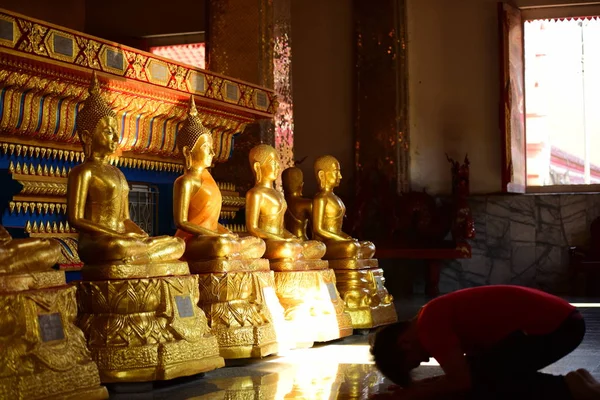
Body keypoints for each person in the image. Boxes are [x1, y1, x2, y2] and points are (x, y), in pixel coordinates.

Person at [370, 285, 600, 400]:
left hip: (557, 328)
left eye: (414, 362)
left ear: (404, 344)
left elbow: (462, 382)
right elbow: (464, 370)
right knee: (481, 372)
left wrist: (408, 396)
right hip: (565, 322)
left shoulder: (429, 326)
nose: (426, 359)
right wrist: (421, 387)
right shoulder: (427, 317)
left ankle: (571, 388)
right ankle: (578, 380)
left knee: (488, 383)